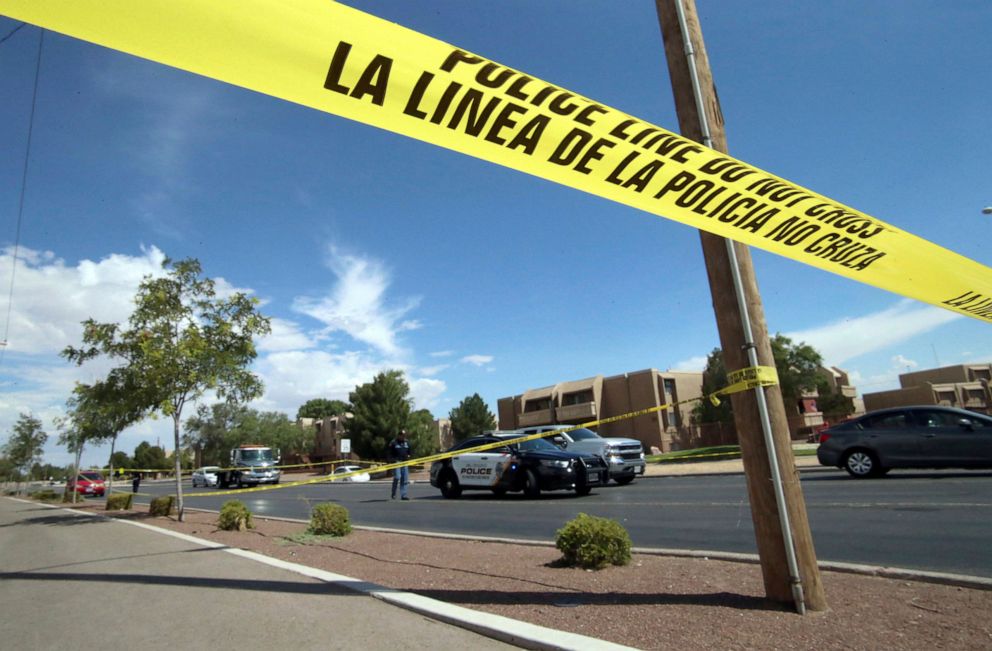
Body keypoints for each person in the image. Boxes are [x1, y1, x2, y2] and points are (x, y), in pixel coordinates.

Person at [387, 429, 411, 500]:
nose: (403, 437)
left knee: (405, 479)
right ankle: (393, 493)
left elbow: (410, 451)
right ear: (399, 435)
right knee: (397, 477)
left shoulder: (407, 442)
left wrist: (409, 456)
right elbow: (389, 453)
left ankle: (403, 495)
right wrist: (391, 460)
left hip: (405, 462)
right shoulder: (393, 442)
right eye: (402, 435)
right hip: (397, 462)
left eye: (404, 436)